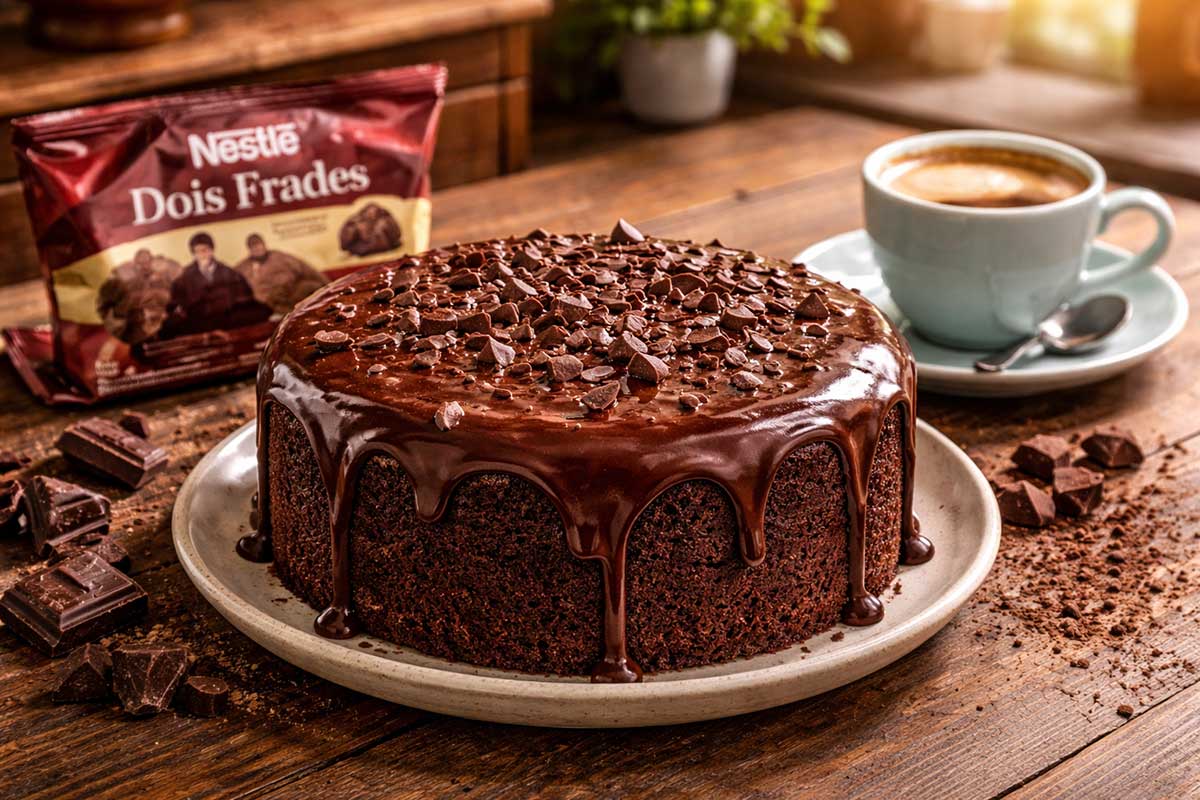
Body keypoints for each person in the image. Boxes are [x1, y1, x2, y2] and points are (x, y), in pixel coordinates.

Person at [163, 232, 270, 336]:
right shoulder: (184, 277)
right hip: (200, 322)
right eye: (197, 252)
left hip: (227, 318)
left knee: (261, 312)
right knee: (171, 326)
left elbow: (246, 296)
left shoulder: (229, 273)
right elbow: (175, 304)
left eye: (204, 250)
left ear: (211, 250)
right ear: (193, 254)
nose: (202, 254)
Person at [234, 233, 328, 314]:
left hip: (292, 292)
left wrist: (328, 285)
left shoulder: (280, 257)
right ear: (249, 249)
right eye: (253, 247)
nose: (256, 248)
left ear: (263, 245)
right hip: (268, 302)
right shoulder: (244, 267)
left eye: (258, 244)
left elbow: (305, 268)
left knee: (313, 286)